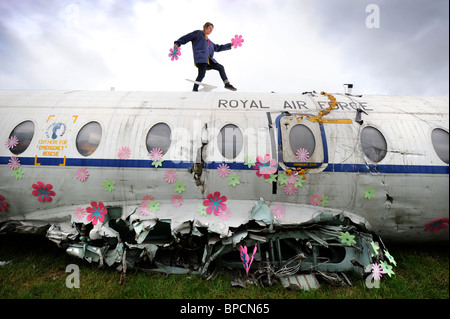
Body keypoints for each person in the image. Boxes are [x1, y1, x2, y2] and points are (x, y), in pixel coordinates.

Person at [174, 22, 237, 92]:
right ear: (205, 27)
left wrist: (230, 45)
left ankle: (227, 84)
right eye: (209, 28)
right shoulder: (198, 33)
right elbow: (186, 37)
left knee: (220, 67)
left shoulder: (209, 42)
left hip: (209, 61)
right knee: (201, 74)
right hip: (201, 59)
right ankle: (195, 90)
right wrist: (177, 43)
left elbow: (218, 48)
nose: (210, 30)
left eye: (212, 29)